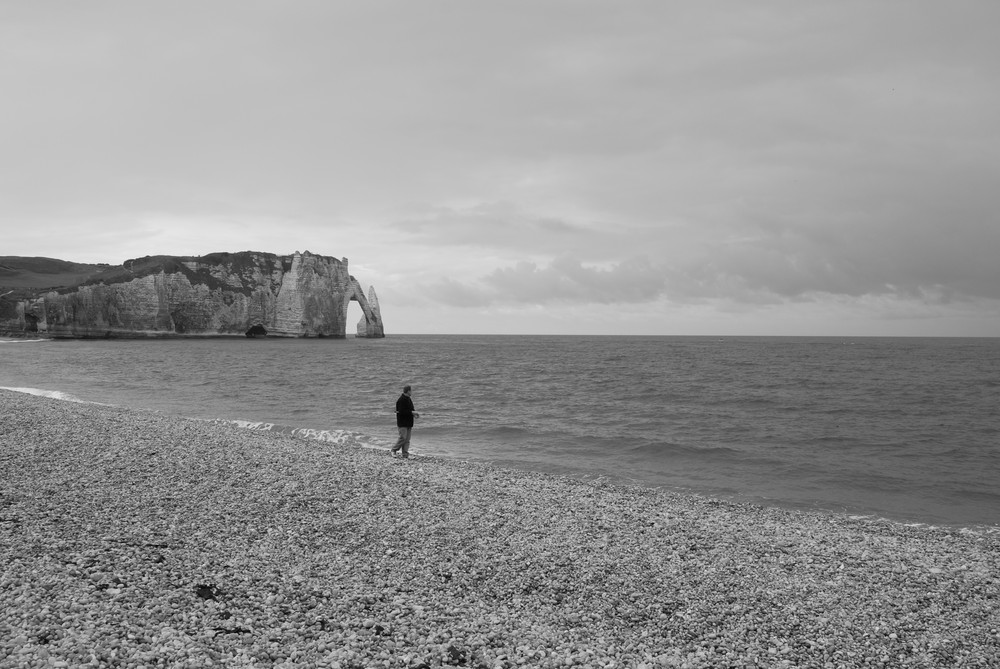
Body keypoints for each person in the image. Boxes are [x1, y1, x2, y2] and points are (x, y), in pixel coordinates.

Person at [391, 385, 419, 458]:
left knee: (407, 439)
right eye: (411, 390)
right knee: (402, 438)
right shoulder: (401, 400)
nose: (412, 392)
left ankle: (405, 454)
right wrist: (412, 413)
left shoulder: (409, 399)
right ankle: (394, 450)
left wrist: (415, 414)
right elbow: (402, 412)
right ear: (408, 391)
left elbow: (411, 409)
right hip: (402, 422)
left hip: (409, 422)